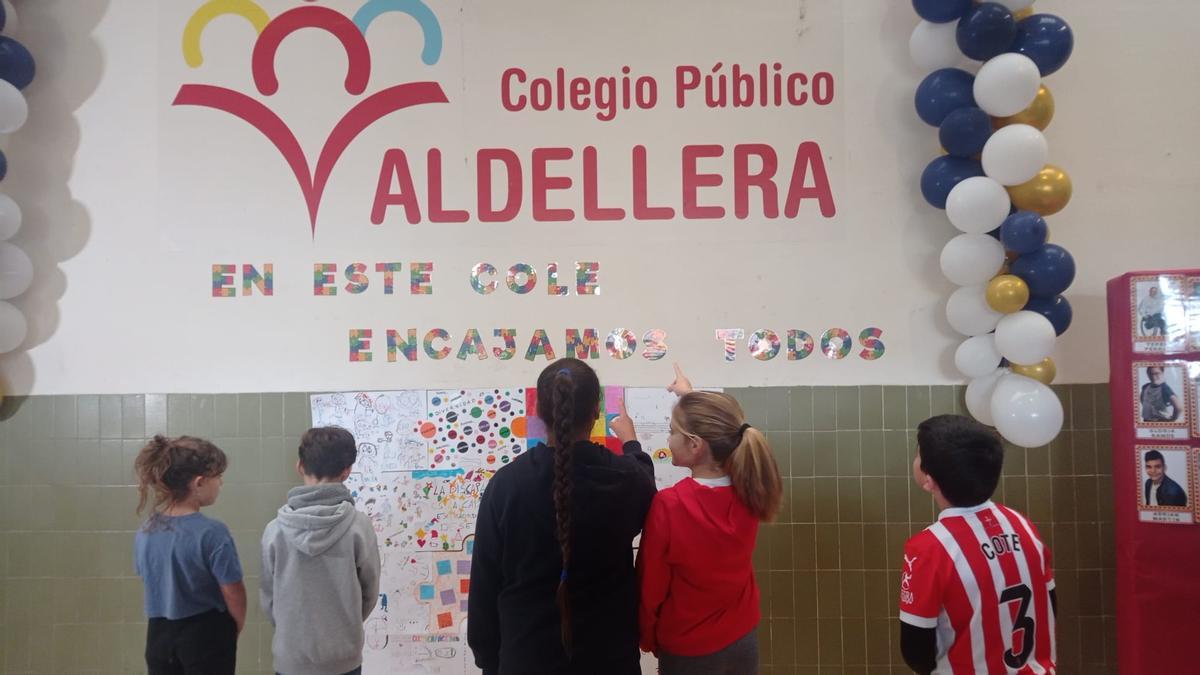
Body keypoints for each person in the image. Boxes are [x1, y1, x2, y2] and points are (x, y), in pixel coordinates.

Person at [467, 358, 657, 674]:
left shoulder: (506, 485)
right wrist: (631, 442)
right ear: (596, 413)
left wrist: (488, 661)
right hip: (609, 659)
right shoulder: (627, 480)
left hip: (525, 657)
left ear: (539, 411)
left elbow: (485, 584)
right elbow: (644, 479)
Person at [636, 364, 783, 674]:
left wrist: (647, 635)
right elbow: (721, 432)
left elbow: (651, 586)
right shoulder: (750, 488)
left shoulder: (670, 505)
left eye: (672, 431)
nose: (669, 437)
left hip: (688, 648)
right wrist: (690, 395)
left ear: (694, 444)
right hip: (743, 639)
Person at [900, 415, 1056, 675]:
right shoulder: (1023, 525)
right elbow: (1050, 603)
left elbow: (916, 651)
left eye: (918, 454)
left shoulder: (929, 548)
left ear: (929, 479)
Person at [261, 426, 381, 675]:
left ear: (300, 466)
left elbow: (269, 596)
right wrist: (344, 628)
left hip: (290, 658)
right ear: (347, 471)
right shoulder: (359, 526)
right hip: (343, 658)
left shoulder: (275, 530)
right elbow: (369, 591)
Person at [134, 435, 246, 675]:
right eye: (218, 477)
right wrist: (234, 625)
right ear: (199, 483)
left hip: (158, 636)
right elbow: (232, 589)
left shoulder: (147, 529)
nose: (221, 483)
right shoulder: (213, 532)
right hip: (205, 635)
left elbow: (149, 577)